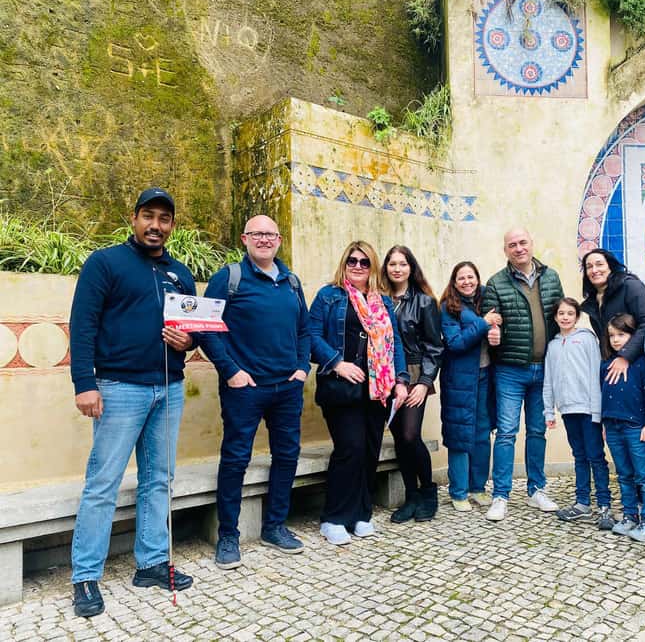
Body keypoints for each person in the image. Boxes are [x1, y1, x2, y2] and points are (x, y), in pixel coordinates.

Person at [68, 187, 196, 618]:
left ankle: (153, 563)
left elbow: (189, 331)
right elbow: (82, 324)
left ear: (172, 225)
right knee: (102, 484)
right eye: (148, 216)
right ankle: (85, 577)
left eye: (164, 218)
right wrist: (84, 384)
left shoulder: (181, 274)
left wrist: (187, 340)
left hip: (169, 388)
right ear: (134, 217)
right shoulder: (105, 263)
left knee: (159, 479)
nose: (155, 225)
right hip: (118, 389)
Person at [199, 215, 310, 570]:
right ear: (245, 238)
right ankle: (228, 535)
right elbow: (206, 328)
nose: (264, 239)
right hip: (245, 389)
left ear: (279, 240)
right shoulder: (229, 278)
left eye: (271, 234)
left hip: (287, 388)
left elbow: (305, 329)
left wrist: (302, 368)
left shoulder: (291, 281)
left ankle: (275, 526)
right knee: (235, 459)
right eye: (257, 233)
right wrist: (231, 371)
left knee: (287, 455)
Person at [309, 241, 409, 545]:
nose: (357, 266)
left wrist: (401, 380)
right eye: (352, 260)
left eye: (364, 262)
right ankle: (334, 517)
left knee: (369, 450)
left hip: (377, 390)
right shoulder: (330, 296)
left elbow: (396, 344)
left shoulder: (383, 302)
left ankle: (360, 514)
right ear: (344, 263)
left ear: (372, 266)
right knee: (349, 448)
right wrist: (337, 363)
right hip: (341, 388)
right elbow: (310, 335)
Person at [580, 248, 645, 530]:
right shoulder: (593, 301)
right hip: (617, 379)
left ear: (611, 265)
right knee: (635, 451)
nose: (594, 269)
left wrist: (625, 356)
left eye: (599, 264)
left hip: (639, 373)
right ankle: (639, 510)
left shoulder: (630, 286)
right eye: (589, 266)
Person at [481, 228, 564, 521]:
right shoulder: (495, 283)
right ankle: (501, 495)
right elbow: (491, 321)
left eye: (523, 243)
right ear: (505, 250)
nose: (518, 249)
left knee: (538, 431)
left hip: (545, 371)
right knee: (506, 433)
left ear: (532, 244)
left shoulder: (551, 277)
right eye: (512, 245)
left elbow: (562, 316)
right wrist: (494, 331)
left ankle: (536, 490)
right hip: (510, 371)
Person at [381, 246, 444, 523]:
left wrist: (424, 382)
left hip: (415, 372)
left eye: (402, 264)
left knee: (409, 435)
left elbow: (434, 346)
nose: (397, 269)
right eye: (392, 264)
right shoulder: (378, 299)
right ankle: (411, 496)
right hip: (386, 375)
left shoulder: (424, 302)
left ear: (411, 267)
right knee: (399, 438)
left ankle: (428, 491)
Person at [542, 298, 614, 531]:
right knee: (579, 455)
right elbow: (548, 380)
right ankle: (582, 502)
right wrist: (548, 410)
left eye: (570, 313)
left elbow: (596, 374)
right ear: (555, 317)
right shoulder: (552, 346)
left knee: (595, 456)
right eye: (561, 313)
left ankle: (604, 505)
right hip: (568, 409)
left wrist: (598, 410)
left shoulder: (587, 339)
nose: (565, 317)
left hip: (588, 408)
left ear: (576, 316)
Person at [439, 262, 500, 511]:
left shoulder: (487, 300)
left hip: (486, 376)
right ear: (454, 282)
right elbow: (455, 343)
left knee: (482, 434)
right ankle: (459, 492)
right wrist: (483, 324)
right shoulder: (448, 308)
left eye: (471, 277)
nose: (467, 282)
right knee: (459, 435)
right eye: (461, 278)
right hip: (459, 380)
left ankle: (478, 487)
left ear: (477, 278)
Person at [601, 314, 645, 543]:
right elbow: (603, 395)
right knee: (624, 474)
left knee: (643, 476)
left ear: (633, 336)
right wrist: (604, 424)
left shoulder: (642, 364)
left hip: (636, 427)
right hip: (612, 426)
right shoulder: (606, 364)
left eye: (621, 335)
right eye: (612, 336)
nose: (616, 340)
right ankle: (630, 515)